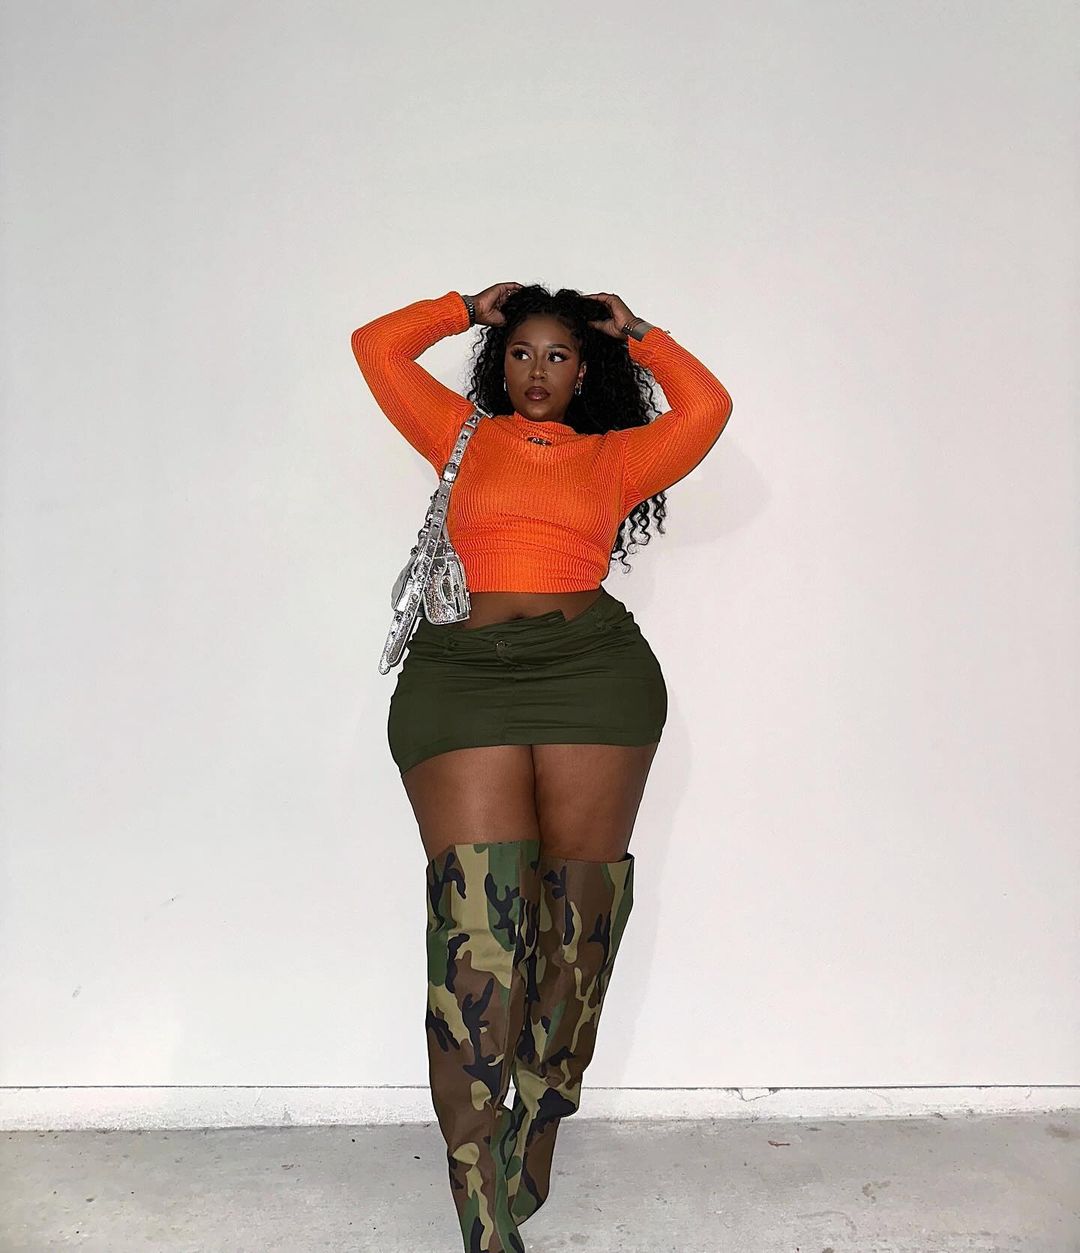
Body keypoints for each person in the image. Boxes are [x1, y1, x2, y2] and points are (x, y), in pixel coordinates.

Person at [351, 282, 733, 1252]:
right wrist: (460, 307)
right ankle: (478, 1189)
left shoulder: (616, 457)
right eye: (521, 351)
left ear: (584, 370)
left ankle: (542, 1110)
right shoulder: (460, 432)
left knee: (577, 920)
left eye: (558, 355)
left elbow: (709, 407)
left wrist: (639, 334)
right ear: (499, 360)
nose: (536, 370)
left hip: (592, 677)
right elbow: (375, 348)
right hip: (462, 677)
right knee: (478, 930)